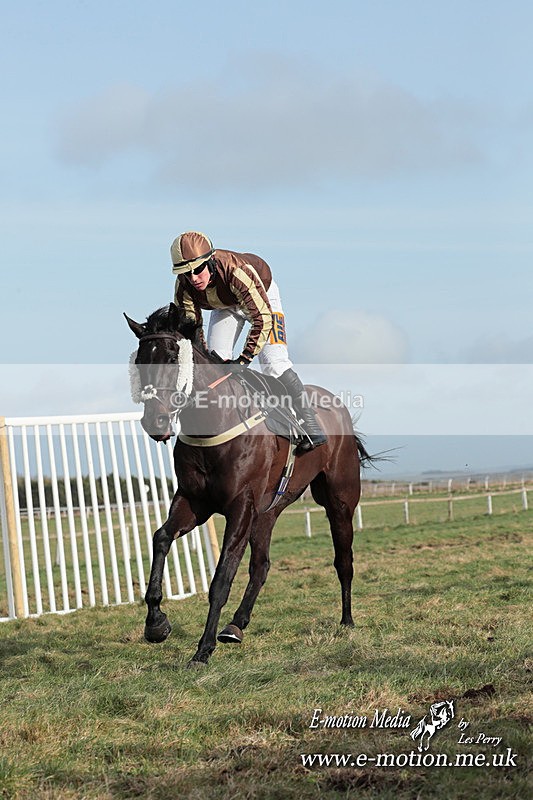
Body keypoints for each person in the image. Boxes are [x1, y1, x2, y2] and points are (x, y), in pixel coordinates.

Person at [171, 230, 326, 451]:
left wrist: (244, 359)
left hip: (261, 297)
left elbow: (262, 319)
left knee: (274, 364)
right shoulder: (184, 286)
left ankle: (310, 423)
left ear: (210, 261)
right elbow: (191, 329)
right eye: (186, 273)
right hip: (226, 305)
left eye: (197, 270)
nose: (193, 278)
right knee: (216, 365)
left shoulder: (237, 272)